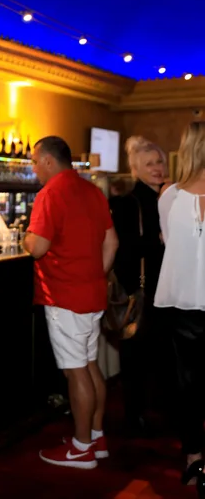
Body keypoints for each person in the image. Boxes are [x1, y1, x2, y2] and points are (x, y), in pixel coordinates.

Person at [23, 136, 118, 469]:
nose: (34, 169)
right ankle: (96, 436)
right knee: (90, 365)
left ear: (49, 161)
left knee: (76, 372)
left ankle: (81, 448)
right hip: (92, 294)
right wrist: (93, 274)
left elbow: (38, 247)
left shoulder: (50, 194)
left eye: (35, 162)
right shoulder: (92, 191)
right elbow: (112, 242)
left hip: (64, 295)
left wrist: (26, 237)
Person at [154, 122, 205, 487]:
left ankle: (194, 458)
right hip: (183, 306)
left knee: (188, 383)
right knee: (188, 384)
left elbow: (169, 242)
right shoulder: (169, 195)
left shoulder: (169, 196)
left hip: (182, 303)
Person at [111, 136, 168, 434]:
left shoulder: (169, 198)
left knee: (159, 359)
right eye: (149, 164)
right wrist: (158, 240)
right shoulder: (128, 203)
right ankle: (136, 418)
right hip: (143, 291)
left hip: (166, 291)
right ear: (135, 169)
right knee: (136, 359)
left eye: (159, 162)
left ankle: (153, 414)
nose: (157, 168)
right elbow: (124, 251)